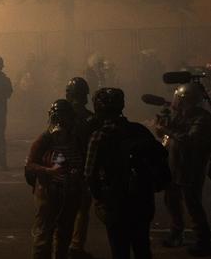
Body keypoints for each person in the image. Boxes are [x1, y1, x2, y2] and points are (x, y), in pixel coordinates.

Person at [85, 88, 170, 259]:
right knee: (142, 247)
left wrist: (100, 198)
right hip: (142, 199)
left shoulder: (99, 136)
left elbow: (89, 173)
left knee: (119, 250)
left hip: (116, 201)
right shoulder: (139, 130)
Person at [156, 83, 211, 256]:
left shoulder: (202, 118)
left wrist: (167, 130)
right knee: (171, 200)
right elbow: (167, 135)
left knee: (193, 204)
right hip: (174, 165)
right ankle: (176, 232)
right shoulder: (181, 115)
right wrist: (162, 125)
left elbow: (189, 140)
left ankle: (204, 241)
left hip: (191, 168)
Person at [26, 100, 84, 259]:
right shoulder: (45, 138)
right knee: (44, 235)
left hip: (70, 192)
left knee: (64, 234)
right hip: (48, 192)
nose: (62, 122)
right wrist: (48, 171)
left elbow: (82, 162)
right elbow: (30, 165)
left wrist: (76, 173)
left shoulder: (76, 139)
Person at [65, 77, 97, 259]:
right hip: (83, 169)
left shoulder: (61, 116)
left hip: (63, 169)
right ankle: (76, 247)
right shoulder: (90, 118)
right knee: (82, 211)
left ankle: (61, 245)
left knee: (63, 211)